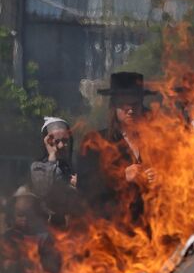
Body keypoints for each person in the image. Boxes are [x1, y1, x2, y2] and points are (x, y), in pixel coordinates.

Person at [75, 72, 156, 220]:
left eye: (135, 104)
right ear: (114, 106)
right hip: (112, 226)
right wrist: (122, 176)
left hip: (149, 227)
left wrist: (159, 177)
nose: (130, 110)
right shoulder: (94, 141)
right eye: (125, 104)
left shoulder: (156, 140)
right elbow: (85, 186)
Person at [30, 117, 77, 226]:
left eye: (65, 141)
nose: (61, 146)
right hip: (47, 226)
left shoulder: (72, 166)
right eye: (57, 141)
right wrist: (52, 156)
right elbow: (43, 190)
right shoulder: (38, 167)